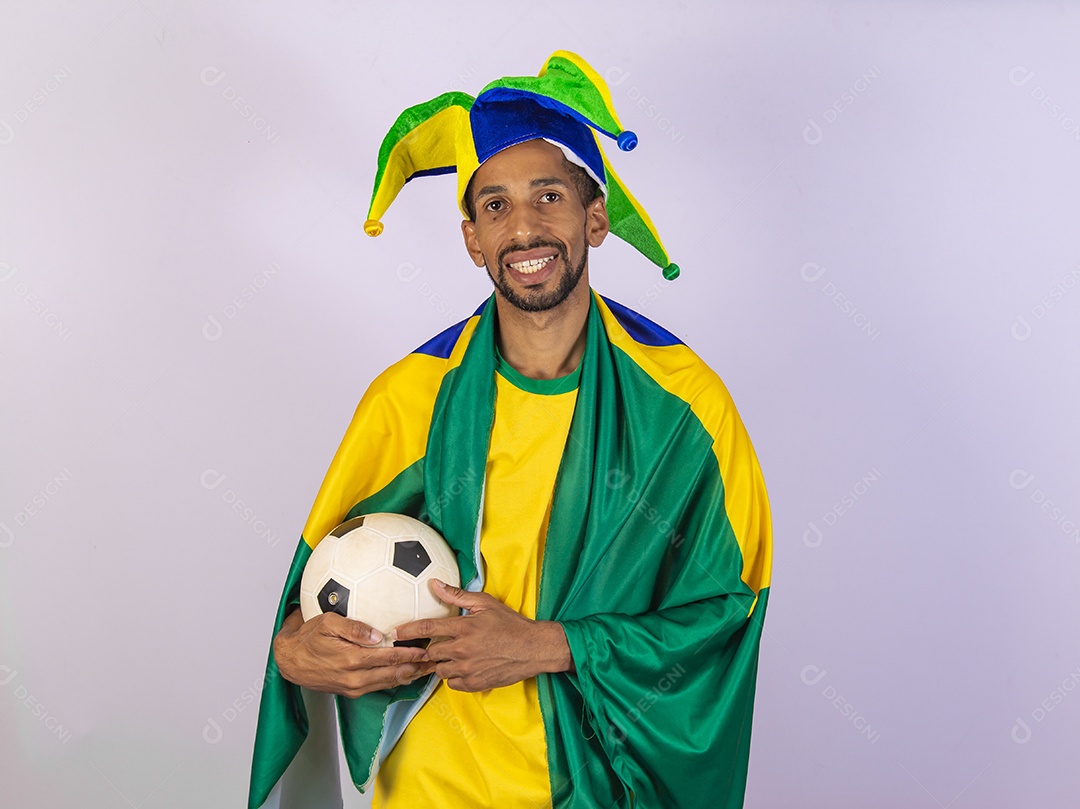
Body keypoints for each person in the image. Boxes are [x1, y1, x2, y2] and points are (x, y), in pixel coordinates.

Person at [249, 52, 772, 809]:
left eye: (549, 197)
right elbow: (311, 591)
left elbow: (731, 608)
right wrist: (297, 650)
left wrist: (549, 645)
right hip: (428, 788)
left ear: (595, 218)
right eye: (495, 206)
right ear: (472, 239)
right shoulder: (408, 397)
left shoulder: (685, 405)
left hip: (594, 788)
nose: (524, 227)